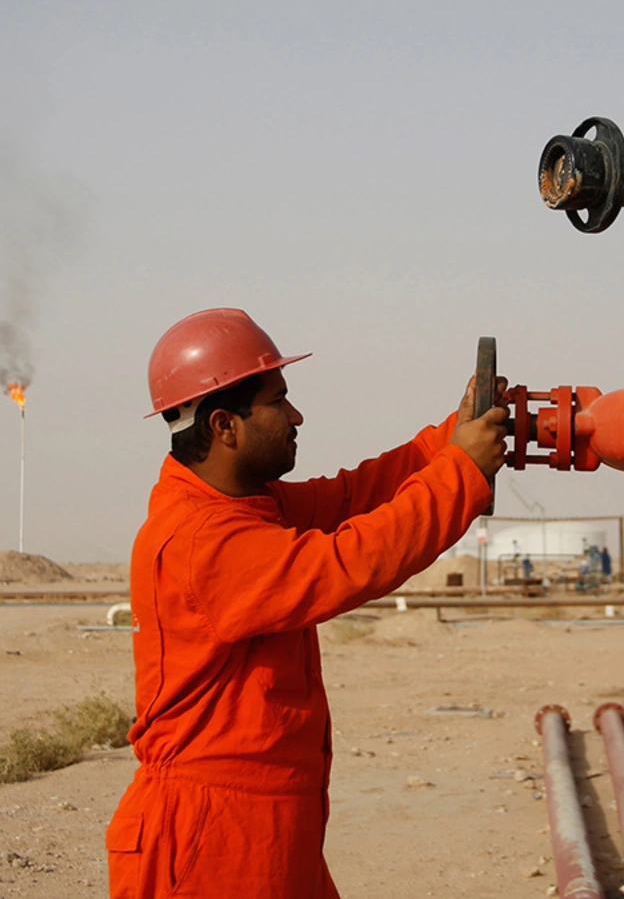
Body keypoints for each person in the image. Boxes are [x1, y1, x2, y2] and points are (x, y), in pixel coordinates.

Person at [107, 308, 509, 898]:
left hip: (263, 823)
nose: (296, 416)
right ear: (225, 425)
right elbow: (348, 561)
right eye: (278, 400)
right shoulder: (203, 542)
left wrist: (452, 437)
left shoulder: (244, 508)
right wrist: (462, 472)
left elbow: (355, 499)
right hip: (211, 838)